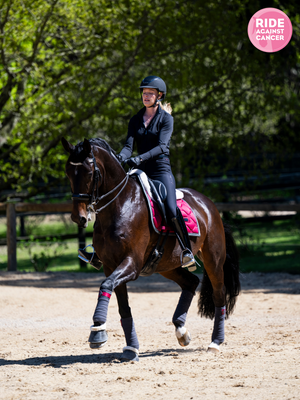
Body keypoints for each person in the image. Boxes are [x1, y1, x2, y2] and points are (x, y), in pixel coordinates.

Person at [79, 75, 195, 269]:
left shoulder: (166, 119)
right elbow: (128, 146)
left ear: (159, 96)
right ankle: (98, 250)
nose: (146, 96)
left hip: (160, 171)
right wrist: (120, 157)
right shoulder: (135, 119)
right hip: (139, 172)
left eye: (150, 93)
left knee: (170, 206)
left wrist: (139, 158)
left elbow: (162, 147)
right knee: (114, 201)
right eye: (144, 93)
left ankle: (186, 250)